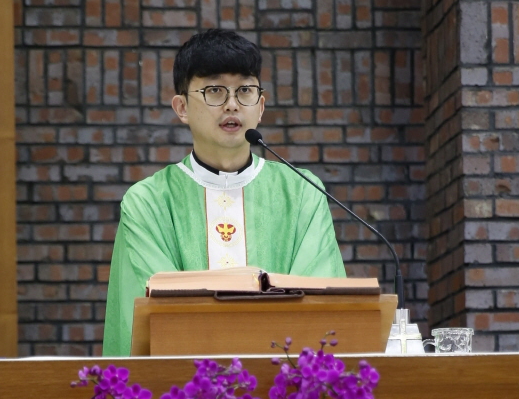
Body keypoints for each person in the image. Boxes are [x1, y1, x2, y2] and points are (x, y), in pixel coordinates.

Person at [102, 30, 346, 356]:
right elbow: (155, 316)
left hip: (283, 394)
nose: (232, 104)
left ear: (260, 107)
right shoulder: (148, 202)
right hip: (185, 397)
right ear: (182, 107)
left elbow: (319, 303)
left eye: (244, 90)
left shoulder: (303, 193)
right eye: (215, 90)